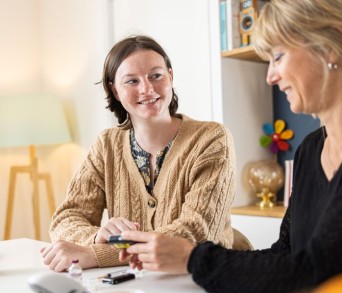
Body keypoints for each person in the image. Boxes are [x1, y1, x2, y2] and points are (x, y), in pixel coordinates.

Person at [120, 0, 342, 293]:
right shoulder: (309, 150)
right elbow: (286, 254)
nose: (270, 76)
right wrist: (181, 257)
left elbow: (315, 272)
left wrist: (191, 257)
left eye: (278, 57)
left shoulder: (211, 138)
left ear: (330, 45)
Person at [40, 35, 237, 272]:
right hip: (135, 283)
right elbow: (66, 218)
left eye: (156, 76)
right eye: (132, 81)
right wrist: (97, 236)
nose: (147, 89)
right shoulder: (106, 145)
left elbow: (197, 232)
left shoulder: (212, 139)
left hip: (205, 281)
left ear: (170, 77)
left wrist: (98, 253)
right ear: (114, 90)